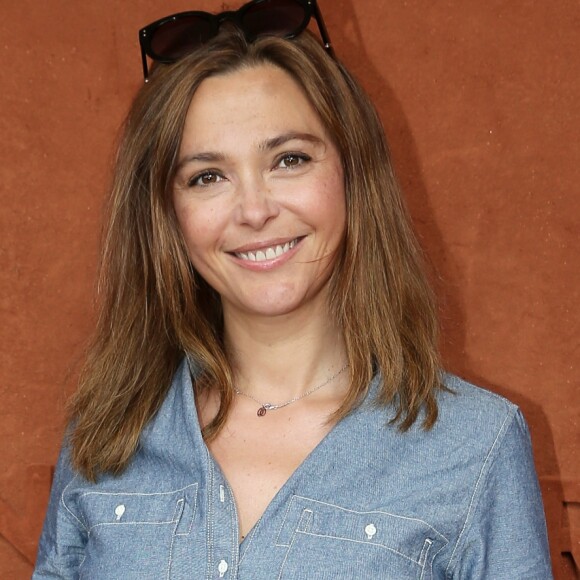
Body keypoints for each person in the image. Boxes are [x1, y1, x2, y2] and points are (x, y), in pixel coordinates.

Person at [33, 1, 552, 578]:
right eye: (208, 176)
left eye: (289, 159)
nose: (254, 210)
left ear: (354, 174)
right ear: (167, 214)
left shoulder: (476, 447)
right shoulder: (106, 438)